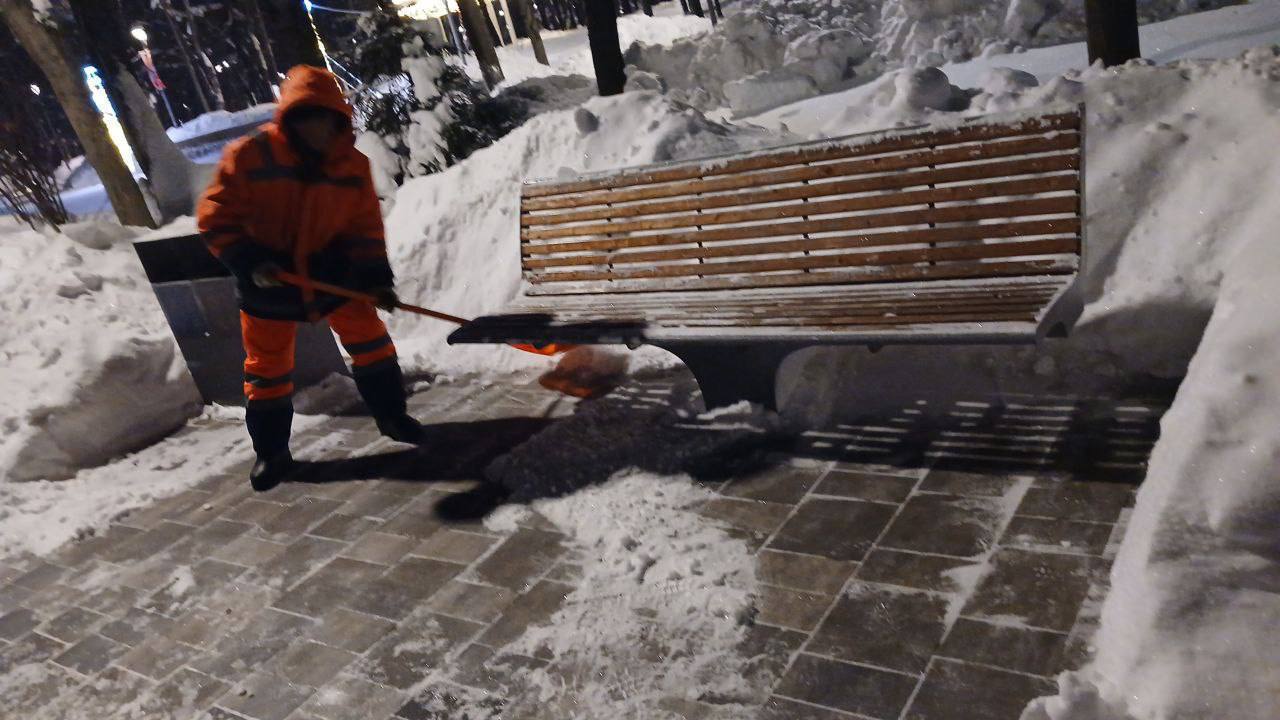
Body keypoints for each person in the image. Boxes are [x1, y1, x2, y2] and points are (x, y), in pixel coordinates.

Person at [197, 65, 424, 492]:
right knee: (266, 371)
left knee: (373, 346)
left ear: (339, 118)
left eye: (325, 118)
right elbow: (215, 216)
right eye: (306, 117)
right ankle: (272, 454)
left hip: (334, 276)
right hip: (270, 282)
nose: (317, 128)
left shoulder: (352, 165)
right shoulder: (250, 155)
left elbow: (364, 227)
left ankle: (393, 416)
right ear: (290, 118)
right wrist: (248, 261)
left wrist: (376, 278)